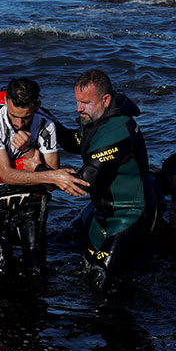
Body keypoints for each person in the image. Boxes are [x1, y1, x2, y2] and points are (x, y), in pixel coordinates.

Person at [0, 77, 89, 276]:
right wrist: (52, 176)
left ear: (37, 105)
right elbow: (6, 174)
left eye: (26, 118)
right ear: (7, 102)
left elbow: (51, 185)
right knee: (1, 263)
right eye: (14, 116)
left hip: (31, 193)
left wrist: (28, 151)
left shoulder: (46, 124)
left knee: (35, 265)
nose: (19, 124)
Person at [57, 69, 157, 287]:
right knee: (87, 272)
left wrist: (36, 170)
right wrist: (43, 119)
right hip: (103, 212)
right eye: (77, 101)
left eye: (85, 102)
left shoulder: (117, 130)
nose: (78, 108)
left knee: (104, 281)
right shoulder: (96, 118)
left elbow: (83, 183)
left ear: (106, 100)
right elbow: (74, 142)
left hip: (129, 214)